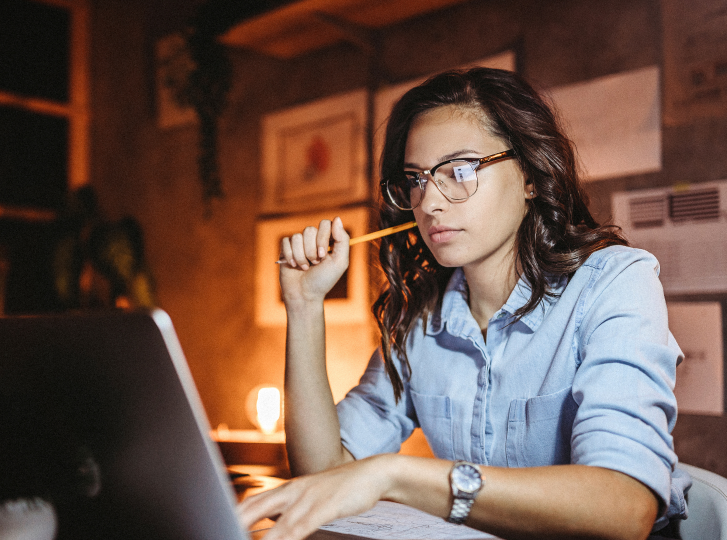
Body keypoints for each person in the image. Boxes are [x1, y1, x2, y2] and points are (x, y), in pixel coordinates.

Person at [238, 68, 690, 540]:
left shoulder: (616, 282)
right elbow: (324, 475)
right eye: (415, 179)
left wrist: (395, 475)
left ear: (531, 175)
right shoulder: (421, 320)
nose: (429, 202)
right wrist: (306, 304)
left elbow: (625, 507)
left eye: (460, 170)